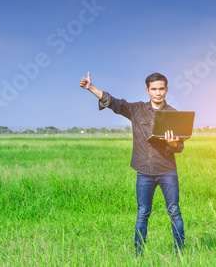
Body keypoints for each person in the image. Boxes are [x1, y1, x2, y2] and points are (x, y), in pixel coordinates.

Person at [79, 71, 186, 255]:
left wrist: (172, 143)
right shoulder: (136, 109)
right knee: (143, 213)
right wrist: (91, 88)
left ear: (166, 90)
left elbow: (180, 146)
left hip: (167, 171)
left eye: (161, 89)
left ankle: (180, 252)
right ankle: (139, 254)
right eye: (154, 89)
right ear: (147, 90)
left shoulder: (174, 115)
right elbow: (114, 103)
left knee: (174, 211)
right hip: (143, 171)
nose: (158, 93)